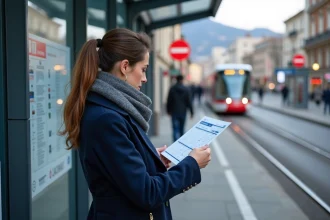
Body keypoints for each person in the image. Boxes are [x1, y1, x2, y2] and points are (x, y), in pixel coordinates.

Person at [60, 28, 211, 220]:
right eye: (143, 69)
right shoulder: (107, 118)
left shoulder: (111, 108)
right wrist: (193, 164)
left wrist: (150, 158)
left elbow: (119, 172)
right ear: (125, 66)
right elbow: (147, 193)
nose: (145, 77)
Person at [166, 75, 194, 142]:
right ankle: (180, 144)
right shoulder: (186, 89)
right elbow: (189, 101)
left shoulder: (172, 88)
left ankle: (175, 143)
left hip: (174, 112)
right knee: (182, 129)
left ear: (176, 79)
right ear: (182, 80)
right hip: (183, 112)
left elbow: (169, 100)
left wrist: (168, 110)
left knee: (175, 129)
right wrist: (191, 112)